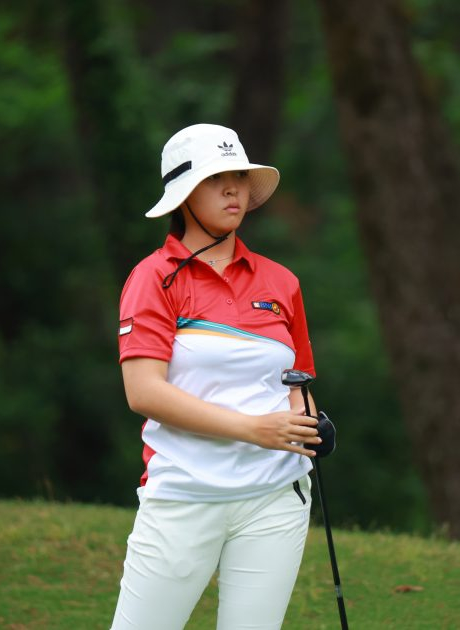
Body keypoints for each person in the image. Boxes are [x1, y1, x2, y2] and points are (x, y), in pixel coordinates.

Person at [110, 123, 329, 629]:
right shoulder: (153, 278)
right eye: (215, 178)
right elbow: (143, 392)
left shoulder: (281, 282)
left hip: (275, 497)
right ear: (184, 194)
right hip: (184, 495)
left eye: (239, 176)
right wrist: (254, 429)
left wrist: (312, 426)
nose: (233, 189)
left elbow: (297, 387)